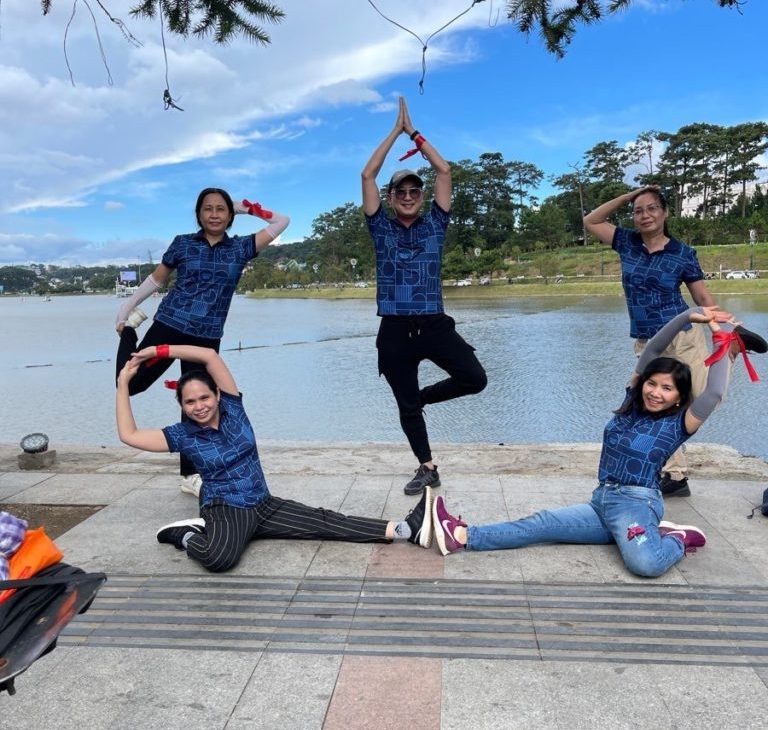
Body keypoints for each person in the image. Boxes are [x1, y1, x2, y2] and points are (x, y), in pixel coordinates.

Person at [432, 307, 765, 576]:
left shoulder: (680, 423)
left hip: (638, 503)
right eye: (652, 383)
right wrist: (687, 317)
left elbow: (715, 392)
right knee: (542, 524)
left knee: (645, 564)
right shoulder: (631, 405)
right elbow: (652, 349)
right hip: (602, 500)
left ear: (679, 398)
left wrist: (723, 341)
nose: (655, 392)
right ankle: (461, 535)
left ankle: (675, 538)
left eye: (667, 389)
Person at [116, 345, 434, 572]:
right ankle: (186, 533)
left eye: (204, 397)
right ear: (182, 406)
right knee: (219, 560)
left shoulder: (235, 411)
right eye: (190, 402)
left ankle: (407, 529)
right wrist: (122, 385)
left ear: (216, 395)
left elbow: (209, 356)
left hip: (263, 504)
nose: (199, 406)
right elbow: (129, 435)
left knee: (326, 522)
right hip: (225, 508)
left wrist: (158, 351)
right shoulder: (182, 435)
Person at [114, 187, 289, 498]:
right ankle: (130, 331)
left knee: (197, 402)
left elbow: (281, 221)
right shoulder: (182, 243)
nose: (214, 214)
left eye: (221, 209)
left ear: (229, 215)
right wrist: (126, 309)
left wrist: (243, 208)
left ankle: (190, 474)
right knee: (130, 382)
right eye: (208, 209)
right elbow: (157, 280)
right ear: (198, 214)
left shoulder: (241, 248)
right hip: (169, 324)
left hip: (206, 337)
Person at [361, 97, 487, 497]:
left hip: (433, 323)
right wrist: (393, 133)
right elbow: (367, 174)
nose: (409, 195)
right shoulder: (380, 228)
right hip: (394, 329)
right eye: (401, 190)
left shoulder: (436, 225)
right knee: (407, 407)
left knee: (474, 378)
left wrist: (414, 133)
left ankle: (418, 399)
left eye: (415, 189)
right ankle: (426, 466)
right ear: (392, 196)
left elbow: (445, 170)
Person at [583, 185, 717, 497]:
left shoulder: (682, 254)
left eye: (652, 208)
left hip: (684, 336)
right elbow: (591, 220)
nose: (645, 215)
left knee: (695, 398)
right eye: (638, 210)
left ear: (665, 212)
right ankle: (673, 473)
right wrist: (629, 196)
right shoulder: (626, 242)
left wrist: (724, 330)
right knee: (653, 402)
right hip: (650, 342)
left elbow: (701, 297)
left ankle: (672, 469)